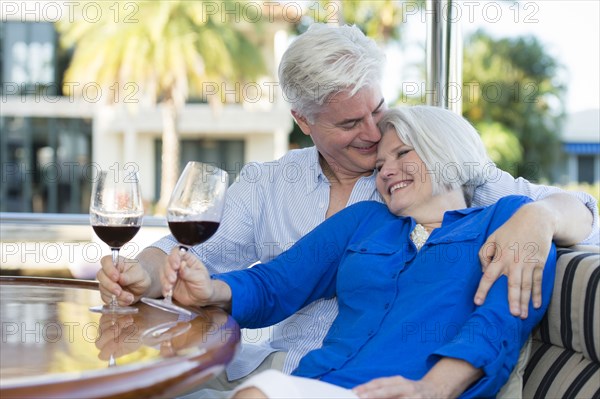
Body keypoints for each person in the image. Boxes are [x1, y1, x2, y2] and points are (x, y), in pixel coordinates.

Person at [96, 23, 598, 388]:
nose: (375, 135)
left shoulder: (477, 198)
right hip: (277, 365)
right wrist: (147, 274)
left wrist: (541, 215)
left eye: (377, 110)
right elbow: (263, 278)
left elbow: (572, 219)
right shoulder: (291, 192)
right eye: (350, 124)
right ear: (304, 121)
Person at [162, 106, 557, 399]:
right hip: (317, 383)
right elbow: (276, 284)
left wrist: (429, 389)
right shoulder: (365, 220)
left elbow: (497, 323)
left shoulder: (507, 221)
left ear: (445, 151)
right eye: (381, 163)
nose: (386, 171)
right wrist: (211, 291)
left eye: (403, 154)